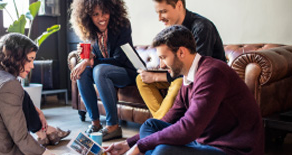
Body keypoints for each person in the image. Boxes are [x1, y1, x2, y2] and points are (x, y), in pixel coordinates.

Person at [105, 25, 264, 155]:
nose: (160, 65)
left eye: (163, 58)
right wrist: (128, 143)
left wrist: (141, 146)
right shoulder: (188, 77)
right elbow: (169, 119)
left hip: (231, 149)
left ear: (181, 52)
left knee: (163, 150)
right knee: (151, 126)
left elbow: (189, 128)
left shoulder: (212, 73)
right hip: (204, 140)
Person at [0, 33, 69, 155]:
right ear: (17, 57)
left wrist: (36, 110)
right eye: (30, 60)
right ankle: (45, 133)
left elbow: (15, 97)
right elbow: (21, 138)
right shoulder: (8, 85)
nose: (32, 66)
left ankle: (44, 133)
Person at [137, 0, 226, 119]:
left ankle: (159, 127)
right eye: (157, 12)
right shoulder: (172, 30)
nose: (159, 18)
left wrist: (156, 77)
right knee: (141, 80)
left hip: (206, 79)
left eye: (163, 12)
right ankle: (164, 123)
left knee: (180, 82)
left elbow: (195, 70)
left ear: (179, 5)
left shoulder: (202, 27)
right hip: (182, 74)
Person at [69, 0, 137, 141]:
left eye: (105, 12)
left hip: (126, 71)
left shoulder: (122, 25)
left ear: (112, 10)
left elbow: (120, 59)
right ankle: (95, 123)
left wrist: (92, 61)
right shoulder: (91, 32)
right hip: (104, 73)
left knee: (100, 70)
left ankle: (113, 126)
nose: (102, 18)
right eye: (96, 14)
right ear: (88, 17)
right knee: (84, 71)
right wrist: (88, 57)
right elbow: (96, 58)